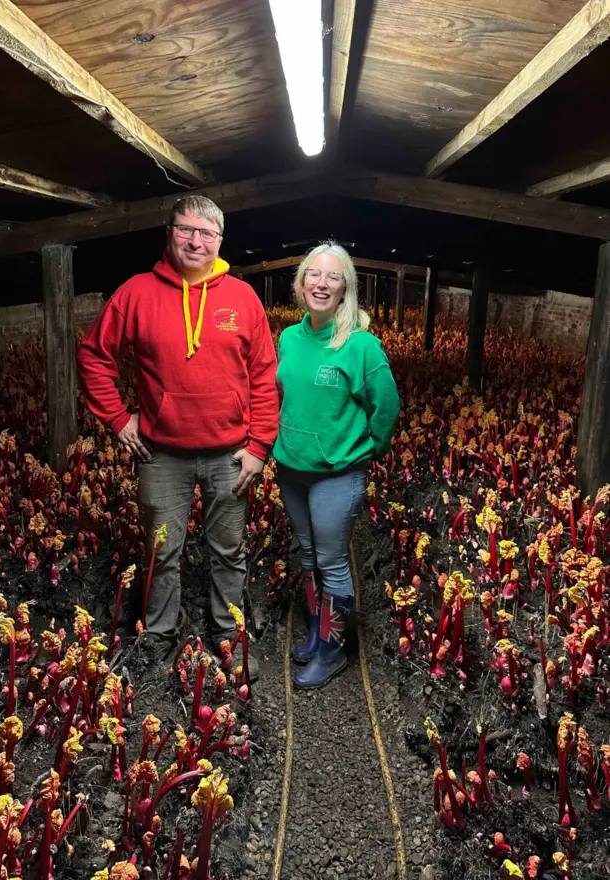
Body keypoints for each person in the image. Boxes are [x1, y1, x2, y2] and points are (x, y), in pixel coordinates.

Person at [77, 195, 279, 678]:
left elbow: (264, 376)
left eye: (206, 233)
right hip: (161, 453)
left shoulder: (242, 298)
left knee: (228, 549)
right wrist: (118, 418)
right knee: (161, 548)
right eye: (186, 230)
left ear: (219, 242)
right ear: (169, 233)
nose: (195, 241)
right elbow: (93, 357)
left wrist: (258, 448)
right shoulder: (137, 293)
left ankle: (229, 638)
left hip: (229, 454)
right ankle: (160, 636)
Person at [273, 243, 400, 689]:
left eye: (332, 277)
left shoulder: (360, 345)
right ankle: (315, 631)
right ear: (301, 282)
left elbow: (386, 407)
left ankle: (332, 651)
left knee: (330, 560)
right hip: (291, 467)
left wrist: (364, 450)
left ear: (346, 286)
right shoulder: (289, 338)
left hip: (336, 473)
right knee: (308, 554)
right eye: (313, 275)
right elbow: (282, 395)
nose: (321, 284)